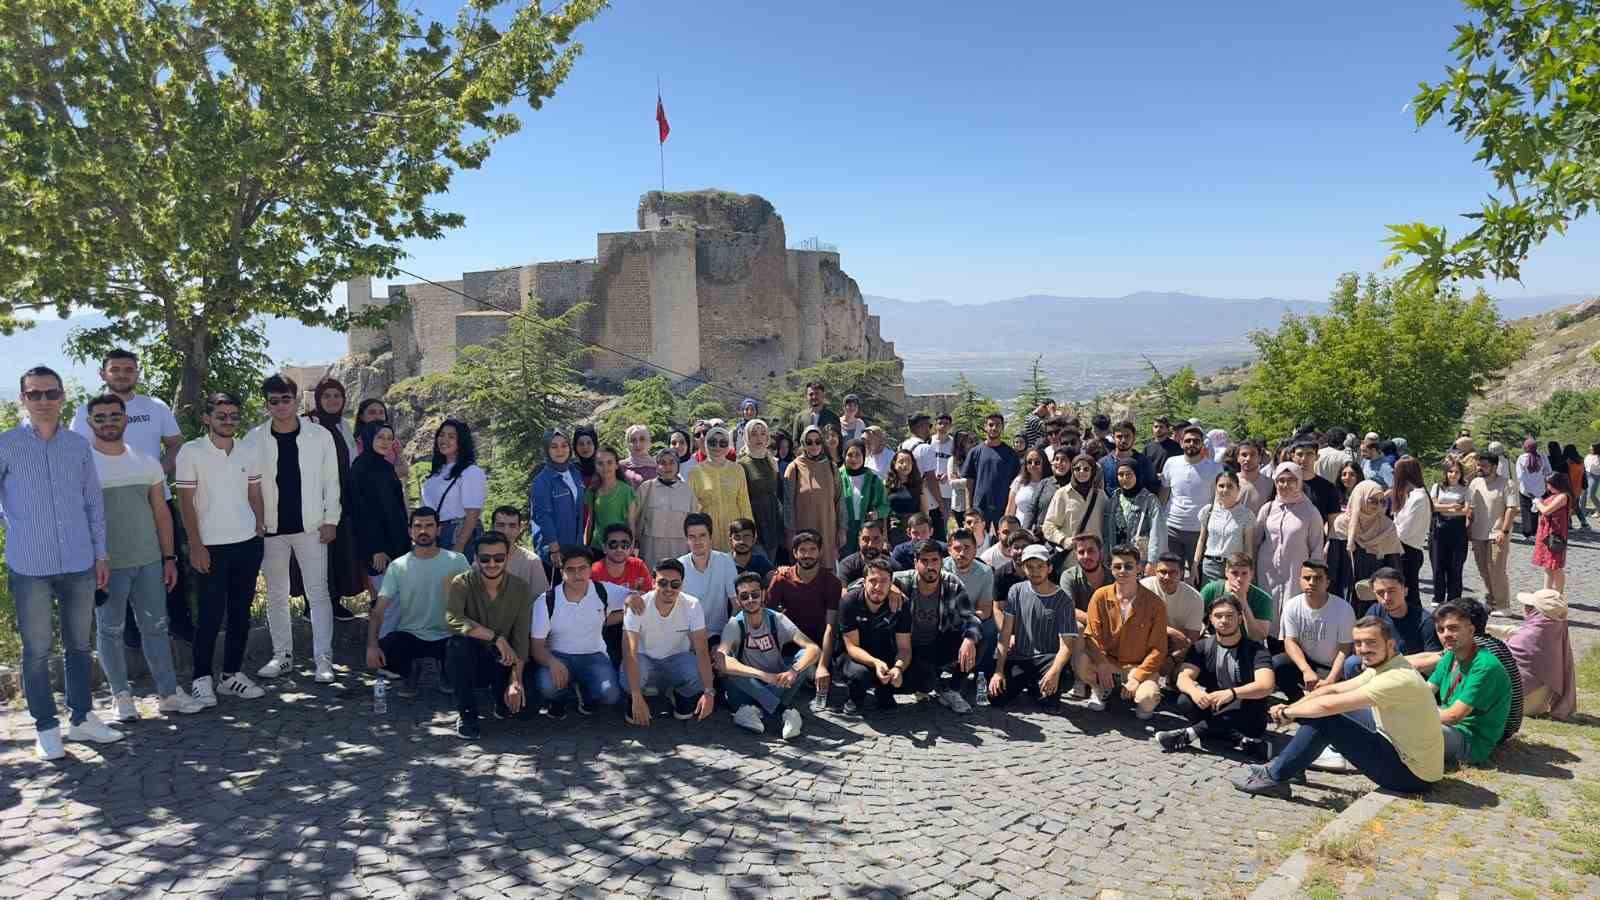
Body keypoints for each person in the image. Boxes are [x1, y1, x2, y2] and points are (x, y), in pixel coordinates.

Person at [1, 373, 119, 756]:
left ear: (63, 397)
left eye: (51, 393)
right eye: (35, 394)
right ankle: (46, 727)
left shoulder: (78, 446)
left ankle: (82, 719)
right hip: (29, 563)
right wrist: (15, 527)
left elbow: (92, 503)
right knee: (36, 650)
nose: (44, 400)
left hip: (79, 561)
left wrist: (101, 554)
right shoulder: (6, 445)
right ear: (23, 399)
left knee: (79, 646)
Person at [81, 393, 204, 721]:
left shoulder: (146, 461)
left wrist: (168, 557)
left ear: (125, 418)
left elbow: (162, 514)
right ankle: (121, 696)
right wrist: (93, 559)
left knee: (156, 628)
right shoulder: (82, 463)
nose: (108, 421)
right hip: (106, 564)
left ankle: (168, 694)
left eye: (114, 415)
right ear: (90, 422)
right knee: (109, 630)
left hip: (149, 561)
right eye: (100, 417)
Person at [1232, 616, 1443, 798]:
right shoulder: (1384, 665)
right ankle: (1292, 765)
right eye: (1358, 643)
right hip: (1400, 751)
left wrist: (1288, 713)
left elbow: (1326, 706)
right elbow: (1330, 691)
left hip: (1412, 776)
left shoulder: (1397, 678)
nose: (1363, 649)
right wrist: (1293, 707)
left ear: (1390, 644)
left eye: (1371, 642)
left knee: (1326, 717)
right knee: (1322, 712)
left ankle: (1276, 778)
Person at [70, 348, 190, 646]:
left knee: (170, 560)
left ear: (137, 373)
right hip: (109, 502)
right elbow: (76, 457)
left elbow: (176, 443)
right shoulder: (87, 411)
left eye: (128, 369)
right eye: (116, 369)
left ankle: (179, 623)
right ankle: (129, 633)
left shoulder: (155, 407)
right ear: (103, 374)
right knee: (116, 564)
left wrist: (159, 470)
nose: (122, 374)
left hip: (156, 498)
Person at [246, 373, 341, 685]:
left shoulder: (319, 436)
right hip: (271, 530)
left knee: (319, 594)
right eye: (274, 401)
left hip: (311, 527)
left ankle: (323, 659)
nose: (281, 406)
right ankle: (282, 656)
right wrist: (254, 522)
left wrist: (331, 520)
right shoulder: (254, 438)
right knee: (276, 595)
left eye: (286, 399)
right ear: (267, 404)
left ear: (296, 399)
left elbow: (332, 480)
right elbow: (249, 485)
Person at [175, 392, 267, 708]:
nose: (228, 420)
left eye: (233, 415)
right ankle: (202, 679)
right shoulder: (190, 452)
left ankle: (231, 676)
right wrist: (196, 546)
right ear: (207, 418)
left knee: (240, 614)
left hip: (247, 544)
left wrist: (260, 525)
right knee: (211, 615)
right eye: (221, 415)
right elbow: (185, 502)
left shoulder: (248, 450)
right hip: (210, 548)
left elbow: (254, 491)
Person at [365, 508, 470, 696]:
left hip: (447, 634)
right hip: (411, 634)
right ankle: (410, 671)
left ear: (438, 530)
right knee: (386, 646)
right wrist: (372, 645)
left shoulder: (457, 560)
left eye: (429, 525)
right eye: (418, 526)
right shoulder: (398, 566)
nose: (423, 530)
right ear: (410, 531)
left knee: (465, 647)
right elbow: (379, 610)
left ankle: (446, 669)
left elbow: (473, 599)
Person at [1155, 594, 1275, 759]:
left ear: (1240, 618)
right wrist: (1195, 691)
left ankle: (1191, 734)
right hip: (1214, 708)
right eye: (1218, 616)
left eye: (1229, 616)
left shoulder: (1257, 650)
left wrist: (1232, 693)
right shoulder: (1201, 646)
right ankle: (1242, 742)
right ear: (1210, 619)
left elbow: (1266, 685)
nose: (1224, 620)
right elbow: (1184, 677)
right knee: (1185, 700)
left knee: (1249, 705)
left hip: (1245, 711)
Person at [444, 531, 534, 738]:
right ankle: (467, 714)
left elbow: (521, 639)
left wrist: (516, 680)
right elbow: (453, 619)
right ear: (475, 559)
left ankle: (500, 696)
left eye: (499, 558)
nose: (492, 563)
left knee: (527, 710)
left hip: (504, 658)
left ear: (507, 557)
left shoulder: (520, 588)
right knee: (456, 646)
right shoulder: (462, 583)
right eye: (485, 558)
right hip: (472, 656)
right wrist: (495, 637)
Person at [718, 572, 822, 739]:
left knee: (804, 656)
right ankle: (785, 711)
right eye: (744, 596)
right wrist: (762, 675)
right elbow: (721, 660)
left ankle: (751, 712)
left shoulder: (777, 619)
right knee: (732, 670)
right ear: (738, 600)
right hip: (747, 688)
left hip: (777, 684)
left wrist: (794, 671)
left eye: (755, 594)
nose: (750, 600)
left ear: (763, 594)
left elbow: (813, 649)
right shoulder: (735, 624)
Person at [620, 558, 717, 726]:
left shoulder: (692, 605)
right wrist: (635, 695)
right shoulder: (638, 605)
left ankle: (680, 694)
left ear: (682, 585)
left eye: (675, 584)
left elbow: (702, 651)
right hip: (643, 661)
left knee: (699, 675)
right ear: (652, 582)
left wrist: (709, 692)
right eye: (662, 583)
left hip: (676, 660)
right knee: (627, 679)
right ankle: (638, 698)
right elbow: (630, 652)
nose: (668, 589)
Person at [531, 544, 624, 718]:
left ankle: (585, 691)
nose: (577, 575)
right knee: (547, 686)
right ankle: (559, 699)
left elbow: (635, 596)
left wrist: (633, 598)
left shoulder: (603, 590)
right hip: (559, 656)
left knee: (610, 695)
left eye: (582, 568)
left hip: (594, 655)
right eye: (570, 570)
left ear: (590, 569)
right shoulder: (546, 601)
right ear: (562, 572)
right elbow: (536, 646)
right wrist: (552, 662)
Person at [1076, 543, 1168, 718]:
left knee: (1147, 701)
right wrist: (1102, 663)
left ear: (1139, 568)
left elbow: (1159, 649)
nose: (1123, 571)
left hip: (1139, 666)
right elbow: (1090, 636)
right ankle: (1100, 689)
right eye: (1117, 566)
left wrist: (1138, 677)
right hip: (1108, 663)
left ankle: (1136, 696)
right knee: (1082, 661)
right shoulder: (1100, 596)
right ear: (1110, 568)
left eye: (1128, 566)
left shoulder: (1155, 604)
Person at [989, 544, 1080, 710]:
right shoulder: (1015, 591)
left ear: (1049, 568)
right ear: (1023, 568)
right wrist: (999, 671)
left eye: (1040, 566)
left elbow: (1067, 645)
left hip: (1047, 659)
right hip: (1020, 657)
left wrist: (1054, 672)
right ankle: (1033, 686)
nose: (1035, 571)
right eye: (1029, 567)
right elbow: (1005, 634)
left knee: (1062, 678)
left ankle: (1045, 688)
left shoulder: (1063, 600)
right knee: (996, 698)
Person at [892, 540, 981, 711]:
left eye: (934, 560)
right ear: (915, 562)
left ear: (941, 562)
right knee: (924, 684)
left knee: (976, 637)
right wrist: (889, 587)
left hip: (936, 643)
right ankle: (927, 682)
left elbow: (971, 617)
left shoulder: (952, 583)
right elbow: (862, 585)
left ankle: (953, 690)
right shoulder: (901, 581)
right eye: (924, 561)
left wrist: (969, 641)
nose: (930, 566)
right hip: (907, 648)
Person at [1423, 600, 1512, 767]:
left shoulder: (1485, 666)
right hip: (1446, 725)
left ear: (1471, 630)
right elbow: (1426, 691)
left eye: (1453, 628)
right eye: (1440, 630)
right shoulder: (1451, 654)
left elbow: (1454, 716)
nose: (1446, 634)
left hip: (1470, 742)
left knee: (1411, 729)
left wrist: (1413, 714)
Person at [302, 377, 363, 621]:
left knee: (339, 553)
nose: (332, 400)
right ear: (318, 399)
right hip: (317, 501)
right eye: (326, 396)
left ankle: (334, 602)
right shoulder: (309, 424)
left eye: (336, 395)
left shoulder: (343, 425)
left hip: (343, 500)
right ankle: (312, 606)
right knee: (317, 555)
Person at [766, 529, 845, 710]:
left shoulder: (831, 582)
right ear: (794, 553)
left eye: (812, 549)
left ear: (820, 552)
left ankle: (810, 672)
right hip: (790, 643)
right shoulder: (782, 579)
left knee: (815, 675)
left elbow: (830, 627)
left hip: (818, 644)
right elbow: (767, 616)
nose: (807, 555)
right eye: (802, 550)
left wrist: (823, 666)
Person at [350, 422, 412, 629]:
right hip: (378, 550)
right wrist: (375, 548)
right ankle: (384, 652)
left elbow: (395, 508)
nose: (385, 442)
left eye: (389, 438)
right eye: (380, 437)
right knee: (388, 605)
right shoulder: (361, 468)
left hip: (397, 544)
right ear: (369, 438)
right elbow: (362, 513)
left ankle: (393, 651)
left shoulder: (385, 467)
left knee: (399, 603)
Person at [836, 559, 913, 714]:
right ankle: (855, 697)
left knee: (921, 675)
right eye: (873, 581)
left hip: (884, 652)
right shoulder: (849, 602)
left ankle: (884, 692)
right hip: (853, 656)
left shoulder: (901, 604)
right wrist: (875, 663)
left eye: (884, 581)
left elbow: (904, 648)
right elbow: (852, 647)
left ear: (892, 584)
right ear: (864, 582)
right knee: (860, 674)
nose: (878, 587)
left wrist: (898, 668)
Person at [1274, 561, 1355, 703]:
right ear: (1299, 581)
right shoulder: (1292, 606)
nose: (1311, 582)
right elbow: (1290, 641)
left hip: (1334, 667)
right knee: (1276, 664)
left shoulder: (1344, 609)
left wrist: (1331, 680)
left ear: (1327, 582)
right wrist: (1306, 670)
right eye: (1306, 578)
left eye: (1318, 578)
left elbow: (1345, 648)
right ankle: (1297, 701)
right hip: (1308, 663)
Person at [1253, 463, 1326, 619]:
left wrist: (1312, 576)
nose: (1285, 485)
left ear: (1299, 481)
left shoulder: (1310, 512)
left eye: (1291, 480)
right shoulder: (1268, 509)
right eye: (1281, 480)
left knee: (1293, 610)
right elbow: (1255, 541)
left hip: (1296, 570)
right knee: (1268, 611)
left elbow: (1317, 547)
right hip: (1267, 570)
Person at [1329, 480, 1403, 609]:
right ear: (1360, 499)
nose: (1378, 505)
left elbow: (1394, 565)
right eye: (1373, 500)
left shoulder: (1387, 527)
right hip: (1346, 583)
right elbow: (1334, 561)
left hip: (1376, 588)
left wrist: (1394, 592)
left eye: (1382, 501)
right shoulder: (1342, 524)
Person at [1158, 425, 1221, 576]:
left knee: (1197, 575)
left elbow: (1217, 499)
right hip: (1171, 527)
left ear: (1202, 443)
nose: (1191, 444)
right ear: (1181, 443)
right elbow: (1164, 493)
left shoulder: (1215, 468)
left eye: (1196, 441)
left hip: (1199, 532)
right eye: (1188, 440)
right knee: (1172, 574)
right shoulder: (1171, 463)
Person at [783, 425, 846, 571]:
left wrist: (842, 528)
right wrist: (789, 532)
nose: (814, 445)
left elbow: (839, 500)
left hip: (827, 529)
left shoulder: (832, 467)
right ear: (803, 444)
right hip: (802, 530)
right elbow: (788, 504)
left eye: (817, 441)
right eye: (809, 442)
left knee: (826, 571)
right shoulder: (794, 468)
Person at [1506, 589, 1576, 720]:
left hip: (1518, 702)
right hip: (1541, 704)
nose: (1524, 609)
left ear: (1533, 611)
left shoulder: (1526, 637)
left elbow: (1499, 653)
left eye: (1528, 606)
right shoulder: (1558, 629)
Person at [944, 528, 998, 689]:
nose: (962, 553)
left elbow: (985, 610)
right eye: (957, 548)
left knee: (989, 628)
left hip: (970, 618)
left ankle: (981, 675)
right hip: (944, 617)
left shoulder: (985, 572)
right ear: (949, 550)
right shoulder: (941, 567)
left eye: (967, 548)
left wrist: (968, 623)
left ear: (975, 549)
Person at [631, 446, 699, 568]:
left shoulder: (688, 490)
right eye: (663, 463)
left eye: (672, 463)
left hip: (679, 551)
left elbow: (694, 523)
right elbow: (633, 518)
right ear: (657, 466)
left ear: (678, 466)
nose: (667, 467)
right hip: (650, 551)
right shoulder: (646, 488)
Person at [678, 513, 739, 648]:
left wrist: (729, 637)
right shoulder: (679, 566)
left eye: (702, 536)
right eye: (692, 537)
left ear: (711, 537)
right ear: (687, 540)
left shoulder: (725, 561)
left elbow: (736, 605)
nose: (697, 542)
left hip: (718, 635)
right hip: (687, 636)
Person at [1467, 451, 1516, 613]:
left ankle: (1503, 605)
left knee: (1496, 570)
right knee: (1483, 570)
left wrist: (1505, 530)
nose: (1480, 468)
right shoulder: (1475, 483)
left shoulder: (1507, 483)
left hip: (1497, 533)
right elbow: (1470, 508)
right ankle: (1491, 600)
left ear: (1494, 467)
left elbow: (1511, 509)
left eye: (1484, 466)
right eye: (1479, 465)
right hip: (1477, 533)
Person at [1141, 553, 1204, 677]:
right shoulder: (1143, 588)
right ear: (1155, 571)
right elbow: (1137, 625)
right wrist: (1167, 630)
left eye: (1173, 572)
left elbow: (1190, 639)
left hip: (1177, 645)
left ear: (1182, 574)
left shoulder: (1195, 598)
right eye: (1162, 571)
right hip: (1147, 640)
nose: (1167, 577)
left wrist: (1172, 659)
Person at [530, 427, 585, 566]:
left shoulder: (574, 473)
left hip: (575, 546)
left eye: (564, 445)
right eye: (554, 447)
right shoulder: (542, 481)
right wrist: (554, 550)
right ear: (547, 450)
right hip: (554, 552)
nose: (560, 451)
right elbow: (543, 517)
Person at [962, 413, 1022, 529]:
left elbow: (1016, 483)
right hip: (979, 508)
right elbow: (969, 482)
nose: (994, 428)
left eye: (997, 425)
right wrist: (969, 508)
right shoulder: (975, 452)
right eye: (991, 425)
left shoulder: (1011, 454)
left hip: (1003, 508)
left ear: (1002, 427)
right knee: (978, 542)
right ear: (985, 427)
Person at [736, 419, 784, 561]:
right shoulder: (742, 464)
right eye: (754, 434)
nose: (759, 438)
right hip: (754, 524)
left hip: (773, 523)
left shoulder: (771, 461)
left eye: (762, 434)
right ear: (747, 437)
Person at [1041, 453, 1112, 549]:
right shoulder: (1062, 494)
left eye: (1086, 469)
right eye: (1077, 469)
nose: (1081, 472)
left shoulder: (1101, 496)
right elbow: (1048, 525)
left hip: (1095, 557)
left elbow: (1109, 526)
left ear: (1093, 472)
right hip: (1071, 558)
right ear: (1072, 470)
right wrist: (1063, 540)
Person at [1198, 553, 1274, 642]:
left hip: (1247, 646)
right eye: (1234, 573)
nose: (1239, 578)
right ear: (1226, 572)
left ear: (1251, 574)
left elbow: (1258, 637)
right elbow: (1194, 621)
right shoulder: (1211, 590)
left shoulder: (1263, 599)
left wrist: (1243, 602)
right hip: (1215, 642)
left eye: (1244, 573)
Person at [1194, 470, 1253, 583]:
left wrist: (1248, 571)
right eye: (1221, 486)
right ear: (1216, 489)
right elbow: (1201, 540)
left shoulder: (1247, 515)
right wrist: (1194, 566)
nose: (1225, 490)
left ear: (1238, 489)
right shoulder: (1208, 511)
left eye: (1230, 486)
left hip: (1235, 568)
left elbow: (1248, 547)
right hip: (1210, 567)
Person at [1110, 457, 1165, 572]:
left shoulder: (1150, 500)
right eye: (1121, 474)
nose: (1125, 478)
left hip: (1140, 561)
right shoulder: (1114, 498)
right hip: (1117, 559)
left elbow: (1158, 532)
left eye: (1129, 474)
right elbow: (1107, 530)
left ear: (1137, 475)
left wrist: (1152, 561)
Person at [1431, 457, 1472, 604]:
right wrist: (1453, 507)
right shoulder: (1437, 487)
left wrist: (1444, 507)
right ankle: (1438, 595)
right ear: (1445, 472)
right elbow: (1433, 506)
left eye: (1457, 472)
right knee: (1438, 563)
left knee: (1455, 564)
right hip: (1440, 528)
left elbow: (1466, 510)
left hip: (1458, 529)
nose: (1453, 475)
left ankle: (1454, 596)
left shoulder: (1466, 489)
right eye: (1450, 472)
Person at [1391, 457, 1432, 602]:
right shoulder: (1412, 496)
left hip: (1408, 551)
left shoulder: (1418, 498)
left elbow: (1403, 532)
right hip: (1405, 550)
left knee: (1410, 597)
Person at [841, 441, 891, 554]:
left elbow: (886, 506)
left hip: (868, 533)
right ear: (844, 456)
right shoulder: (837, 477)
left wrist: (877, 513)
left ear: (864, 456)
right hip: (844, 532)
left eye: (858, 455)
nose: (854, 459)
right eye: (850, 455)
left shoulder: (874, 479)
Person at [585, 446, 637, 552]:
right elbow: (590, 520)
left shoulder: (627, 491)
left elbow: (631, 522)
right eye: (600, 463)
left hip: (619, 549)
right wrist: (585, 546)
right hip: (597, 547)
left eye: (609, 462)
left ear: (616, 465)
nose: (605, 467)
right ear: (595, 466)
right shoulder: (592, 491)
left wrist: (630, 547)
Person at [1059, 532, 1112, 633]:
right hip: (1085, 629)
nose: (1086, 556)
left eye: (1091, 551)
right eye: (1081, 552)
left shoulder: (1113, 576)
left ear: (1100, 552)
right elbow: (1069, 609)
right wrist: (1096, 623)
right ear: (1076, 555)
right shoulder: (1068, 576)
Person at [1532, 471, 1573, 594]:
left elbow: (1546, 510)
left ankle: (1559, 593)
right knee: (1548, 564)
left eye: (1549, 484)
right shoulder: (1554, 495)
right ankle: (1547, 591)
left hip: (1556, 534)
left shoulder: (1563, 496)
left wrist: (1537, 503)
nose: (1547, 487)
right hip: (1547, 532)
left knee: (1556, 565)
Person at [1100, 420, 1159, 497]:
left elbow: (1153, 489)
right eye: (1119, 436)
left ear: (1134, 437)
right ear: (1113, 438)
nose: (1123, 440)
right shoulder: (1103, 464)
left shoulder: (1144, 463)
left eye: (1127, 436)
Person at [1006, 447, 1052, 535]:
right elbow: (1010, 510)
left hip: (1040, 533)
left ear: (1044, 463)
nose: (1033, 465)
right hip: (1017, 532)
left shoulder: (1050, 483)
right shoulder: (1018, 481)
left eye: (1037, 462)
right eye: (1029, 462)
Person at [836, 518, 891, 587]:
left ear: (883, 540)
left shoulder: (891, 564)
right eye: (866, 539)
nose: (871, 544)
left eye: (876, 539)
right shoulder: (847, 565)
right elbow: (842, 592)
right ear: (859, 540)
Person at [1515, 438, 1549, 539]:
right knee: (1536, 511)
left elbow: (1519, 476)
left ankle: (1527, 532)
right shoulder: (1542, 457)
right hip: (1540, 490)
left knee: (1525, 511)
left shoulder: (1521, 458)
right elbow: (1548, 472)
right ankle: (1534, 532)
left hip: (1525, 490)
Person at [729, 518, 776, 585]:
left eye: (746, 537)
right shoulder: (724, 563)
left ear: (754, 539)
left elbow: (774, 579)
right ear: (730, 540)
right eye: (737, 537)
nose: (742, 541)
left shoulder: (760, 562)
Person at [1235, 439, 1274, 515]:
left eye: (1252, 454)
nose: (1248, 459)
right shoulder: (1229, 482)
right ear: (1238, 458)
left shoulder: (1270, 484)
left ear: (1259, 458)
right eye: (1244, 455)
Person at [948, 429, 976, 523]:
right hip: (960, 505)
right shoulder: (953, 460)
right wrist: (970, 481)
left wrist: (961, 480)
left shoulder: (976, 459)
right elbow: (952, 483)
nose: (970, 444)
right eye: (966, 441)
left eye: (970, 441)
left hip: (976, 502)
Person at [1562, 444, 1588, 530]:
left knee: (1567, 506)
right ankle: (1583, 522)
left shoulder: (1568, 462)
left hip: (1568, 487)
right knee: (1575, 505)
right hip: (1578, 487)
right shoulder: (1581, 460)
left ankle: (1569, 524)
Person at [1585, 443, 1600, 526]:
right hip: (1586, 474)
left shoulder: (1598, 457)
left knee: (1591, 494)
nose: (1589, 448)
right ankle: (1582, 510)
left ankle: (1599, 509)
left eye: (1591, 447)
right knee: (1584, 493)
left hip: (1594, 476)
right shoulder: (1588, 456)